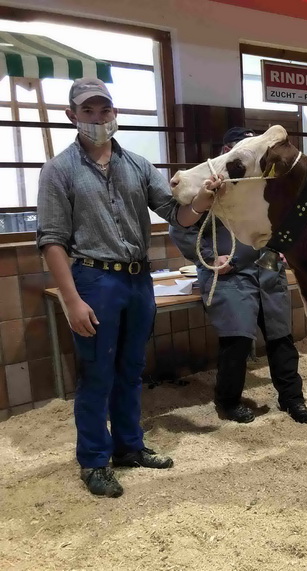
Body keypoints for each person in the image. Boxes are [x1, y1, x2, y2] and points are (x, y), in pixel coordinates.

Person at [37, 78, 217, 498]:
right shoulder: (58, 170)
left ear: (115, 114)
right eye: (88, 112)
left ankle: (130, 447)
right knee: (97, 373)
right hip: (94, 278)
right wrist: (72, 299)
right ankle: (94, 460)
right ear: (72, 116)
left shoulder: (138, 165)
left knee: (132, 369)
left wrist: (203, 200)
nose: (98, 119)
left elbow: (177, 214)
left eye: (105, 111)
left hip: (138, 278)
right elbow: (51, 241)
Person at [168, 127, 307, 425]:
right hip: (229, 273)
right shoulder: (206, 186)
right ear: (225, 152)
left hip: (266, 266)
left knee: (281, 336)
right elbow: (179, 227)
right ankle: (228, 401)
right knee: (237, 340)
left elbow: (290, 219)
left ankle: (292, 398)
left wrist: (285, 247)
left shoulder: (265, 186)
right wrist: (209, 258)